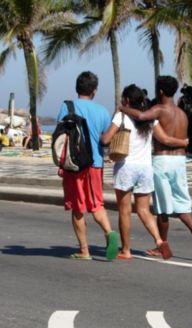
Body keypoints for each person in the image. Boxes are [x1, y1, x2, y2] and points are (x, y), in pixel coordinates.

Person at [120, 75, 192, 259]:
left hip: (162, 160)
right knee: (183, 203)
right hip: (180, 161)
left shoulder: (159, 109)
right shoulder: (182, 113)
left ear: (160, 91)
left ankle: (161, 245)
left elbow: (142, 116)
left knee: (162, 208)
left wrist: (123, 108)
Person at [101, 84, 188, 260]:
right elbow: (164, 139)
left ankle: (126, 250)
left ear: (126, 100)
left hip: (126, 167)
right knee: (144, 210)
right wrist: (183, 142)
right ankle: (159, 241)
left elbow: (106, 139)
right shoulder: (150, 119)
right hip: (145, 168)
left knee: (124, 211)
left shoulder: (121, 116)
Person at [56, 71, 118, 260]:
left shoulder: (66, 107)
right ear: (94, 91)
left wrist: (60, 163)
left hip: (74, 165)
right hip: (95, 164)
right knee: (96, 204)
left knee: (77, 208)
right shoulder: (102, 111)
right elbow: (106, 139)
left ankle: (84, 250)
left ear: (77, 88)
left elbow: (61, 137)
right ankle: (109, 232)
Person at [178, 85, 192, 154]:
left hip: (185, 122)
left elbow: (179, 110)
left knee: (184, 138)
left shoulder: (183, 99)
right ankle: (191, 151)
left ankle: (185, 151)